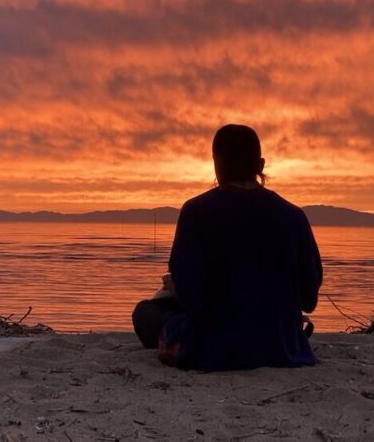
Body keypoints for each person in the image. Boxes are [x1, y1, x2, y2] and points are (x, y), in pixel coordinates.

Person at [132, 125, 323, 371]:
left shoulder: (196, 212)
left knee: (145, 313)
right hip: (281, 346)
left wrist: (174, 287)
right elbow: (308, 299)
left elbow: (193, 300)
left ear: (217, 162)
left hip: (214, 347)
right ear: (261, 165)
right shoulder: (295, 217)